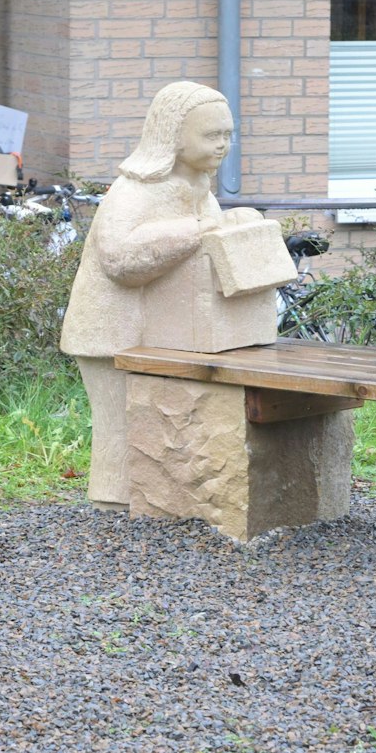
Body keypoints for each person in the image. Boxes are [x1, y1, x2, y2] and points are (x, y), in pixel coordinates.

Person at [59, 81, 255, 509]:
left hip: (161, 330)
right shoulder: (135, 190)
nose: (223, 145)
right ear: (173, 135)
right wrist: (202, 230)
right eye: (211, 135)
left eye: (227, 134)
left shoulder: (198, 187)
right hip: (110, 331)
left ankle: (155, 504)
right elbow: (120, 257)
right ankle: (113, 508)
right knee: (119, 431)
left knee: (157, 428)